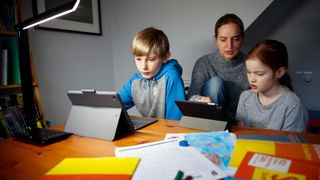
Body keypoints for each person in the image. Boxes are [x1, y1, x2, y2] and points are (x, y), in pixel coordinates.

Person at [235, 39, 309, 132]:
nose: (252, 79)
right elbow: (240, 134)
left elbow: (291, 144)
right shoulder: (245, 97)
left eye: (259, 74)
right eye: (249, 72)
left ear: (279, 72)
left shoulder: (293, 106)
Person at [187, 13, 249, 121]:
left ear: (242, 38)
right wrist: (200, 100)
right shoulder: (204, 63)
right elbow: (191, 98)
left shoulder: (251, 64)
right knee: (216, 83)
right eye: (223, 39)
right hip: (211, 121)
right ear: (216, 39)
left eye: (235, 39)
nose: (229, 46)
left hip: (241, 122)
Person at [118, 27, 185, 120]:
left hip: (169, 132)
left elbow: (176, 119)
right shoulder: (135, 81)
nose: (144, 66)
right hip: (150, 130)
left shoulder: (171, 77)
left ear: (165, 57)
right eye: (138, 59)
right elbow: (115, 106)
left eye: (151, 59)